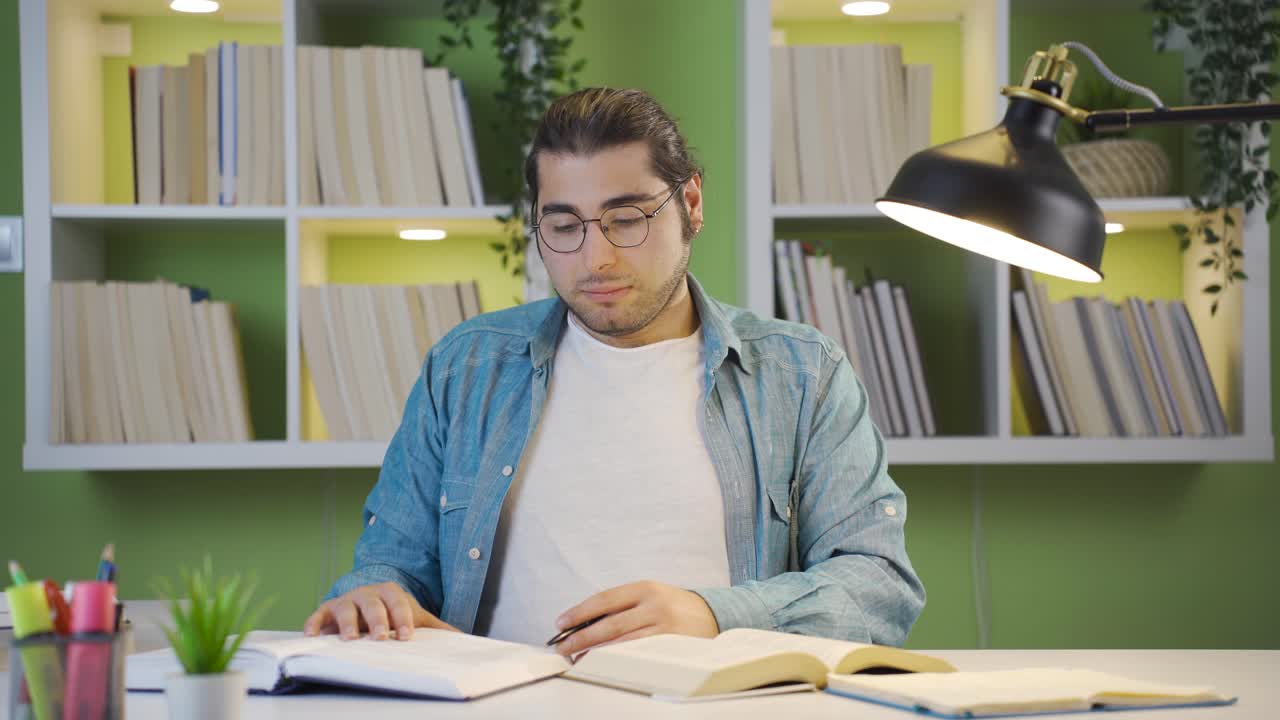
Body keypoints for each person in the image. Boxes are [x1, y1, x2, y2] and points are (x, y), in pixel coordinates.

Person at [304, 87, 925, 656]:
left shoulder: (803, 374)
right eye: (563, 226)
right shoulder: (464, 367)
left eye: (626, 220)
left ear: (690, 203)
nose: (595, 258)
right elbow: (390, 566)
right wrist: (374, 596)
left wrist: (714, 614)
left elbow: (879, 585)